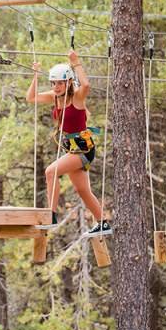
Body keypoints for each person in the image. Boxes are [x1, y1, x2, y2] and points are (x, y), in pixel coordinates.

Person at [25, 51, 111, 235]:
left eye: (60, 83)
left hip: (82, 148)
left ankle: (51, 215)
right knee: (82, 190)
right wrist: (35, 75)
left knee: (50, 172)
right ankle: (103, 222)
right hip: (72, 148)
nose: (56, 87)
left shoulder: (77, 98)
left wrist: (76, 63)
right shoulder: (54, 97)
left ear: (69, 82)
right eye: (53, 83)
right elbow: (31, 98)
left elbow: (86, 84)